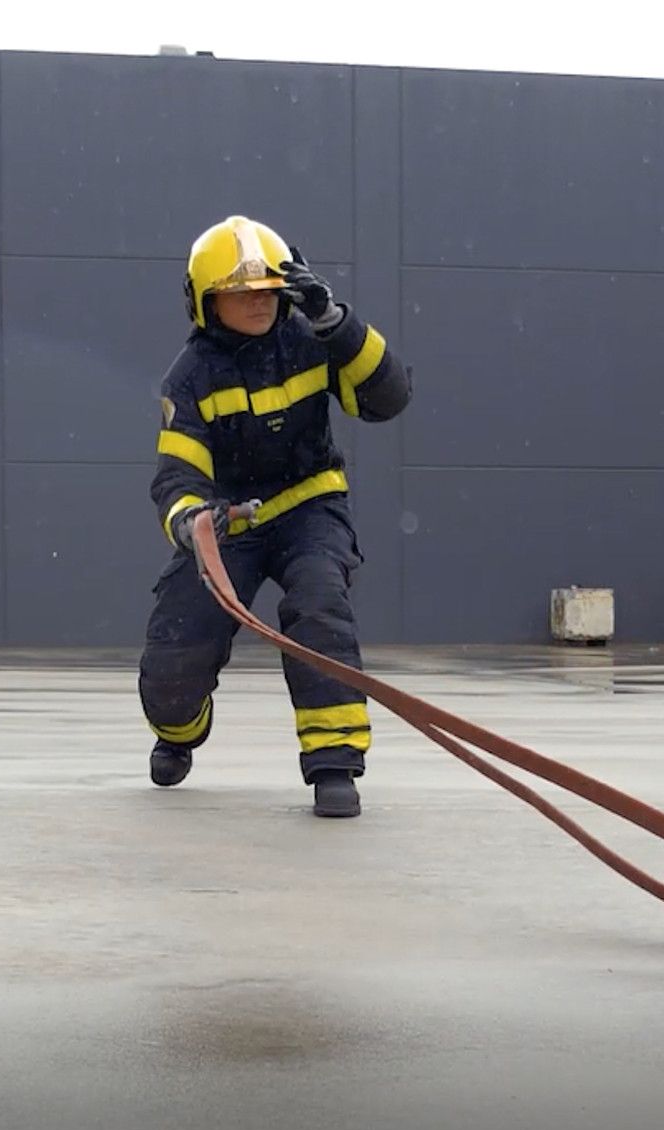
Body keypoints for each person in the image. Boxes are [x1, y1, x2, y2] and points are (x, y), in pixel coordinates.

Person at [138, 215, 411, 818]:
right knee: (177, 646)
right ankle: (178, 734)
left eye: (267, 291)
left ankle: (334, 764)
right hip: (226, 524)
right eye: (239, 293)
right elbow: (175, 477)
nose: (257, 304)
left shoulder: (314, 340)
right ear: (206, 304)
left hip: (310, 508)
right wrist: (191, 524)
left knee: (319, 604)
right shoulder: (188, 379)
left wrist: (338, 324)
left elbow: (388, 399)